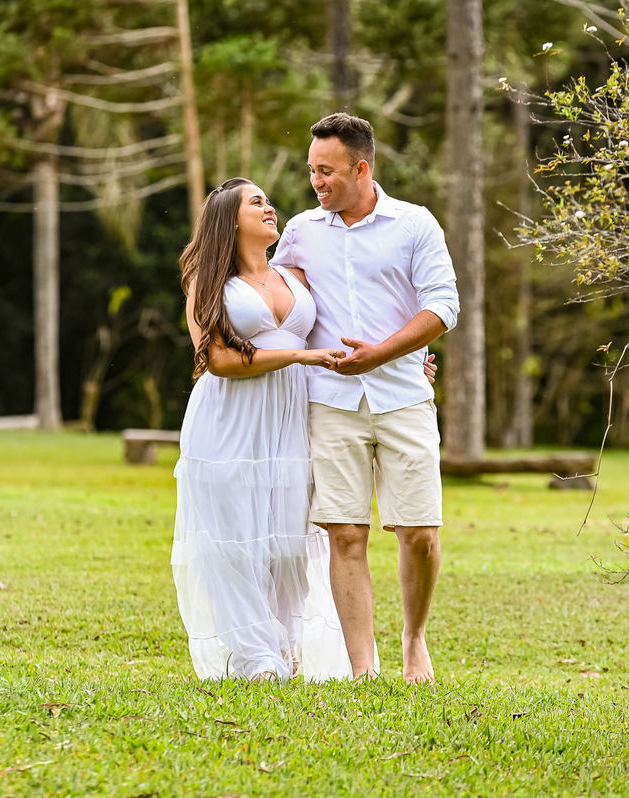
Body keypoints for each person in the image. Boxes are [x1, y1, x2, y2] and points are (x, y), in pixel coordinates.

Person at [269, 112, 459, 684]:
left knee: (419, 532)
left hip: (402, 395)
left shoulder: (415, 225)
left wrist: (384, 353)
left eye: (327, 171)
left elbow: (443, 307)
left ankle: (414, 638)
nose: (316, 182)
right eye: (311, 172)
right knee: (345, 532)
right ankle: (362, 667)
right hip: (329, 400)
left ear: (361, 167)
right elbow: (276, 300)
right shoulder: (301, 230)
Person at [171, 177, 357, 682]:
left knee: (285, 542)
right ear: (230, 219)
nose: (270, 207)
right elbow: (220, 360)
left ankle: (286, 647)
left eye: (268, 200)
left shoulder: (294, 277)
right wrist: (300, 354)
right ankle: (257, 660)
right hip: (229, 423)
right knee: (234, 542)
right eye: (257, 203)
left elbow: (347, 327)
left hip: (288, 423)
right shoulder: (207, 283)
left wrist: (402, 364)